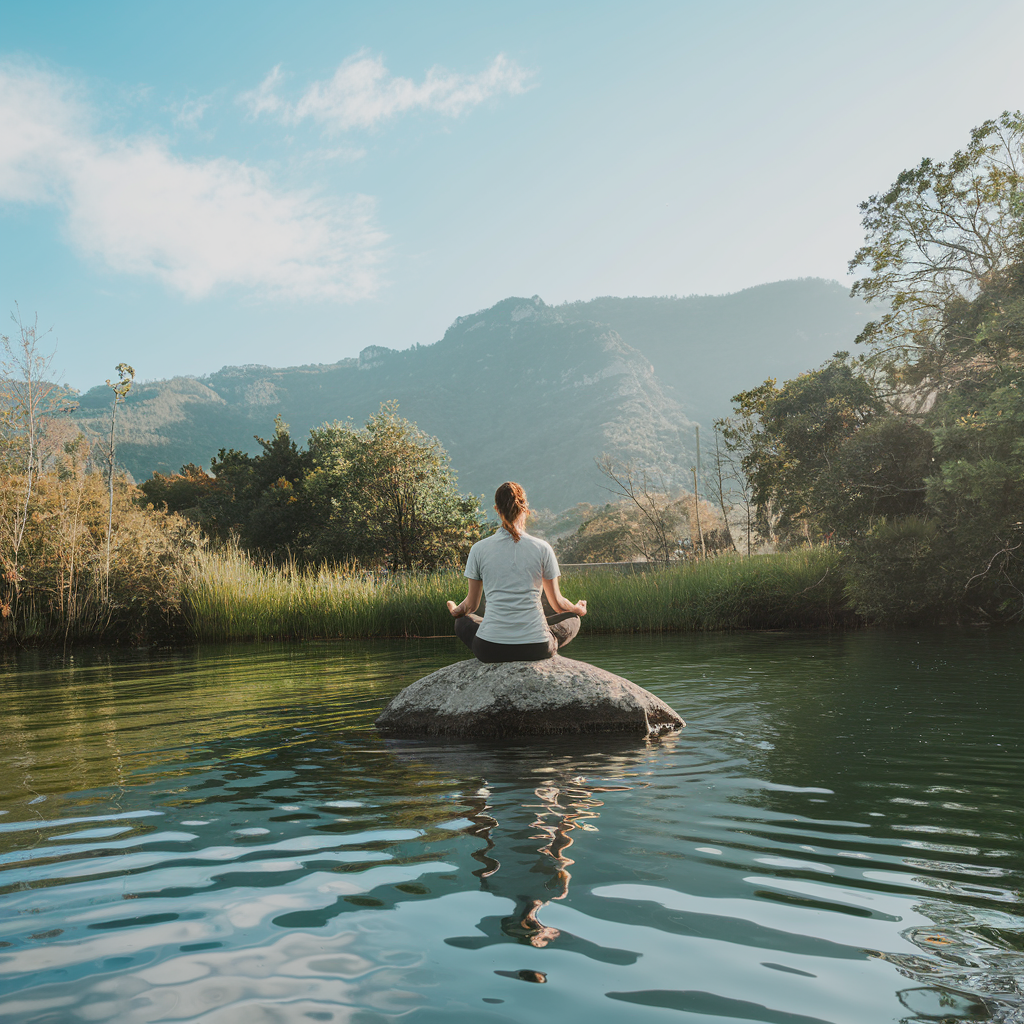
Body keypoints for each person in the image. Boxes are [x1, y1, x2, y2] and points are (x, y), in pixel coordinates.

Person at [447, 481, 587, 663]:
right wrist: (579, 609)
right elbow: (559, 604)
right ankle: (544, 632)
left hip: (490, 649)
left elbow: (470, 606)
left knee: (462, 621)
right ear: (525, 509)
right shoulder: (542, 548)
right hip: (537, 647)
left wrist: (454, 609)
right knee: (573, 618)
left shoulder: (479, 549)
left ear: (497, 509)